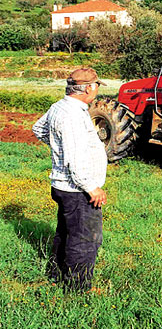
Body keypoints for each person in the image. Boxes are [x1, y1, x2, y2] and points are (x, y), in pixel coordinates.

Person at [32, 68, 108, 293]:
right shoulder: (73, 115)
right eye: (96, 85)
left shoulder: (60, 107)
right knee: (85, 239)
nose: (96, 89)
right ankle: (77, 288)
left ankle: (56, 273)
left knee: (66, 232)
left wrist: (58, 147)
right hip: (77, 189)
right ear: (87, 88)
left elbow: (38, 129)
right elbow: (75, 159)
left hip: (62, 186)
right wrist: (91, 187)